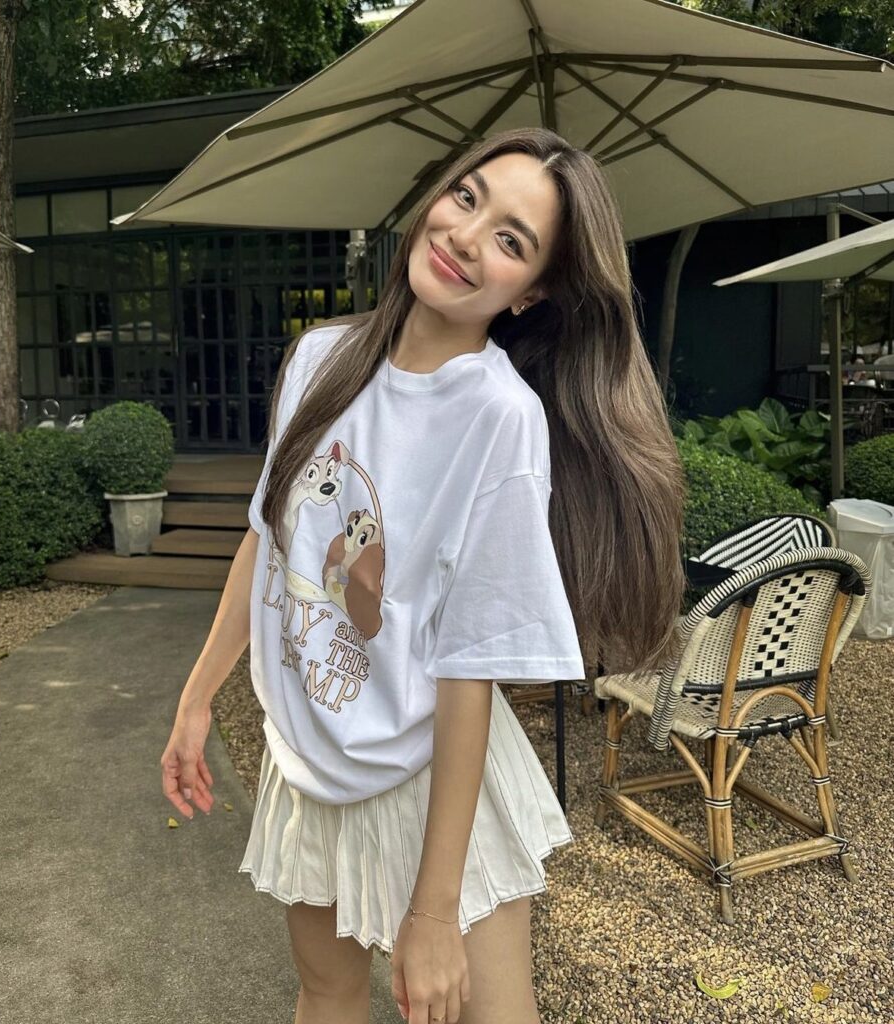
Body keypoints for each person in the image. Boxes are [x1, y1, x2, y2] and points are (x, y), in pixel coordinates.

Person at [159, 126, 685, 1024]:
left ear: (534, 290)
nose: (466, 236)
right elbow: (270, 539)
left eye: (511, 240)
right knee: (326, 992)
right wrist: (197, 697)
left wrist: (434, 913)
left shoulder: (499, 417)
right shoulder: (320, 357)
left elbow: (469, 659)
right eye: (466, 197)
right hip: (309, 756)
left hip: (433, 770)